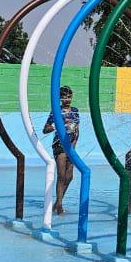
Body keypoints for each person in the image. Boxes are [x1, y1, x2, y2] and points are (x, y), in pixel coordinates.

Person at [43, 85, 80, 215]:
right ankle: (59, 205)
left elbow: (77, 130)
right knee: (61, 175)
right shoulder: (56, 111)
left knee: (69, 176)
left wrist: (74, 144)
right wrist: (55, 127)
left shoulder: (75, 111)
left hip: (71, 146)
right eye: (64, 97)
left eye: (69, 97)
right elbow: (45, 129)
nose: (67, 100)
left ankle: (58, 202)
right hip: (59, 145)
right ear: (60, 98)